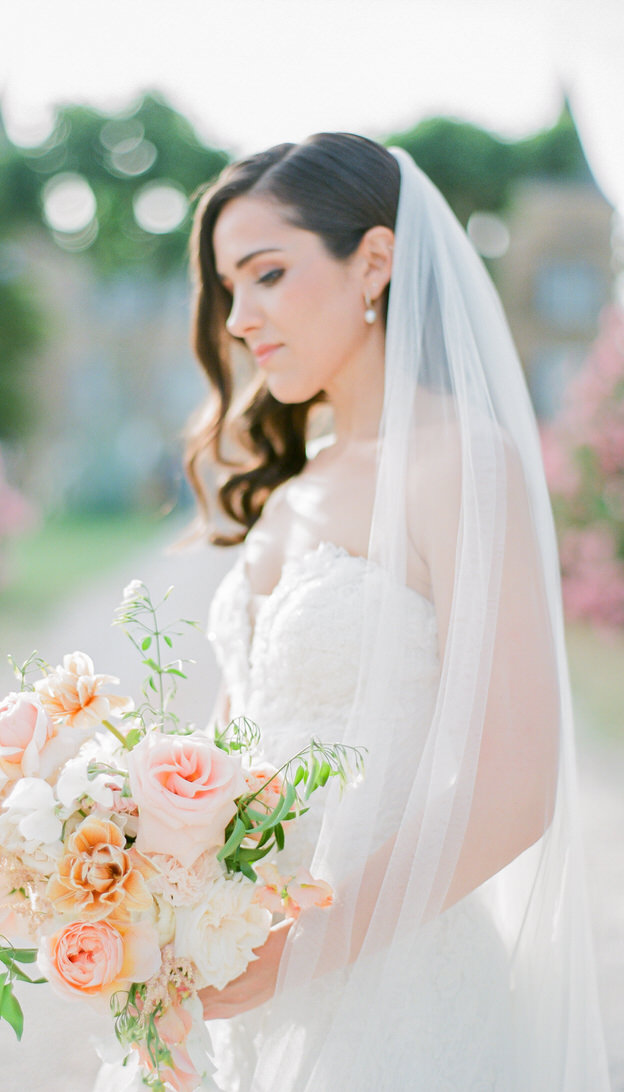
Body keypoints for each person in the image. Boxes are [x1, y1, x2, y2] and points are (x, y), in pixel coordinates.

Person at [181, 134, 611, 1090]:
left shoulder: (461, 464)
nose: (240, 318)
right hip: (245, 991)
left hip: (393, 996)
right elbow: (231, 745)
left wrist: (299, 950)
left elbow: (512, 793)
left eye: (269, 274)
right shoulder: (292, 495)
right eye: (228, 287)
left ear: (372, 262)